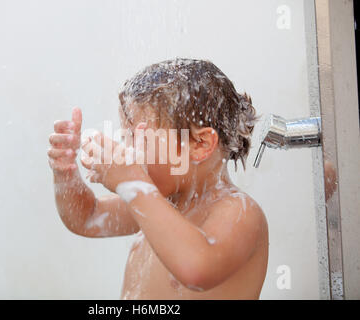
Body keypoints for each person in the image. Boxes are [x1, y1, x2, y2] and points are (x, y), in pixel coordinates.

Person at [48, 58, 269, 299]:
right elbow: (87, 217)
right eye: (126, 137)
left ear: (200, 144)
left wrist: (133, 182)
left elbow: (197, 270)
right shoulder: (163, 201)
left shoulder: (240, 212)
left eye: (139, 138)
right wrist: (65, 173)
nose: (128, 150)